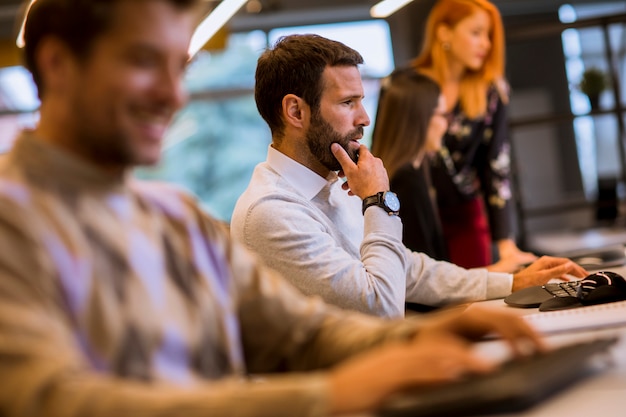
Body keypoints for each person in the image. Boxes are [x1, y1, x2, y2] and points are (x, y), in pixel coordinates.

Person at [0, 0, 550, 416]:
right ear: (58, 65)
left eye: (179, 67)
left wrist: (430, 335)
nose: (174, 95)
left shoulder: (174, 217)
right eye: (146, 63)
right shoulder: (13, 221)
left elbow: (300, 333)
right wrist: (330, 393)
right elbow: (55, 398)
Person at [231, 34, 587, 318]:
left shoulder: (331, 185)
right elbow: (381, 306)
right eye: (347, 103)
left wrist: (512, 282)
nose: (365, 117)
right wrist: (378, 200)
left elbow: (407, 269)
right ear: (296, 111)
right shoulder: (271, 213)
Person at [382, 0, 536, 269]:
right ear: (444, 33)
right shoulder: (403, 85)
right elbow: (386, 149)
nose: (486, 44)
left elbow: (496, 165)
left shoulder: (490, 91)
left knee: (475, 294)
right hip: (410, 209)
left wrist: (506, 243)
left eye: (488, 35)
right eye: (476, 33)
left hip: (463, 212)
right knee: (422, 293)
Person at [371, 68, 521, 273]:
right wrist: (498, 274)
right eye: (443, 115)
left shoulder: (409, 176)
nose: (448, 125)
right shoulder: (406, 183)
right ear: (421, 120)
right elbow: (424, 279)